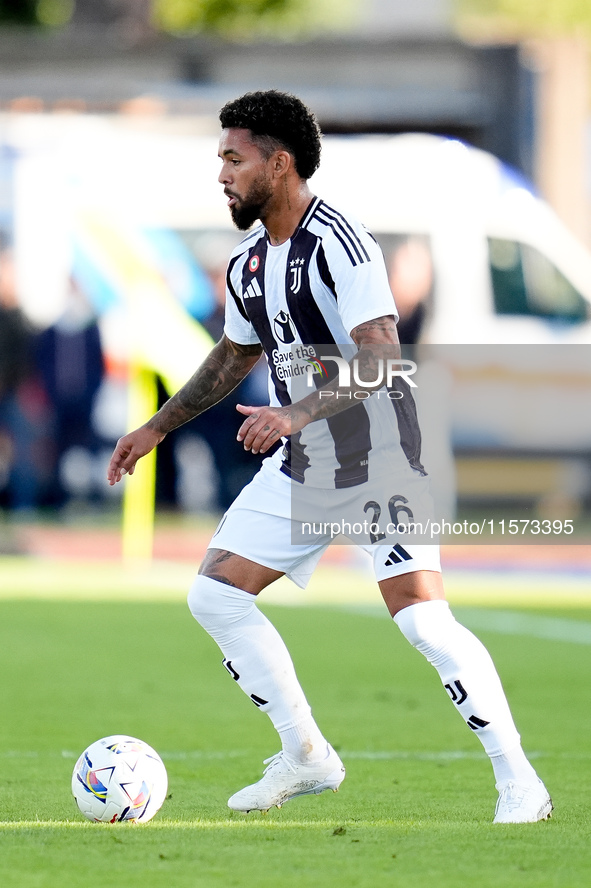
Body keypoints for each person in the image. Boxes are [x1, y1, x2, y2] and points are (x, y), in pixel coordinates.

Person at [107, 90, 552, 823]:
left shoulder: (341, 242)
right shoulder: (251, 261)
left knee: (422, 622)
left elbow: (379, 355)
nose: (220, 174)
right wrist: (158, 426)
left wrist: (292, 411)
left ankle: (518, 783)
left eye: (233, 158)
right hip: (302, 462)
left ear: (278, 165)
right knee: (214, 593)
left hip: (379, 456)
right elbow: (232, 354)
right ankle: (306, 756)